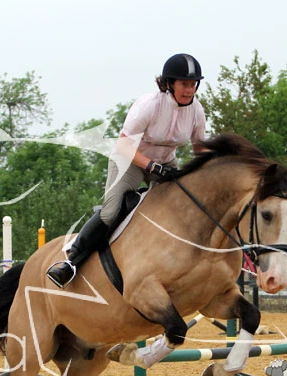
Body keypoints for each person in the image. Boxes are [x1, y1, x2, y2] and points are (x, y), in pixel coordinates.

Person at [46, 53, 207, 288]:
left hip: (165, 165)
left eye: (193, 84)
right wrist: (151, 166)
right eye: (184, 84)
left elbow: (200, 149)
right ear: (170, 83)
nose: (189, 90)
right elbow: (123, 145)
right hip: (129, 161)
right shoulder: (149, 105)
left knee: (184, 208)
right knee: (110, 213)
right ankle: (71, 262)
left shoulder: (196, 111)